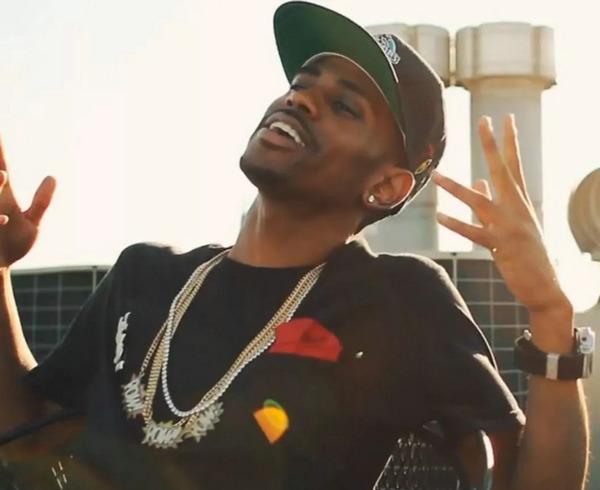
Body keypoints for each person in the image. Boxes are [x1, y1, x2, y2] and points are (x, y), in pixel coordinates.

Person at [0, 2, 589, 489]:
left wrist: (549, 313)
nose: (299, 99)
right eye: (301, 85)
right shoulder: (144, 275)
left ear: (386, 186)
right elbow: (27, 427)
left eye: (342, 106)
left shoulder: (397, 301)